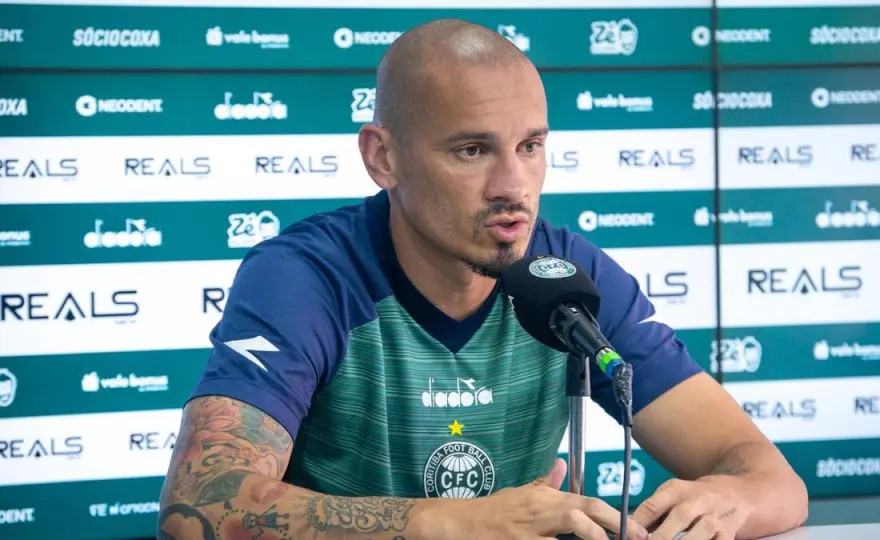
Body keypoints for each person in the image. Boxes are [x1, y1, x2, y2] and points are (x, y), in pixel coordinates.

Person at [158, 18, 808, 540]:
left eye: (530, 146)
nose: (514, 188)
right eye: (472, 151)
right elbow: (200, 511)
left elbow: (773, 481)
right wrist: (452, 524)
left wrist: (726, 502)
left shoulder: (570, 278)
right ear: (383, 157)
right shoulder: (307, 278)